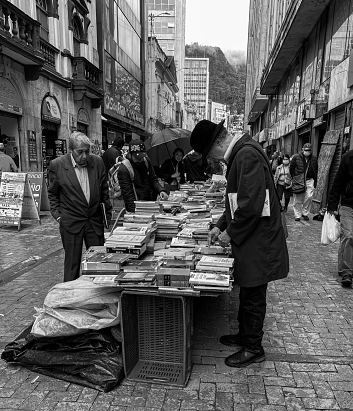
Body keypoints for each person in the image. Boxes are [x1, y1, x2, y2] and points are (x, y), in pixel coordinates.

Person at [190, 120, 289, 368]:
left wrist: (230, 233)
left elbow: (251, 205)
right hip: (252, 238)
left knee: (254, 293)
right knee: (247, 288)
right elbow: (236, 202)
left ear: (215, 146)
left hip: (258, 240)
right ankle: (245, 336)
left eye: (208, 154)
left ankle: (254, 348)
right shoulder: (241, 154)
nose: (213, 161)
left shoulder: (245, 156)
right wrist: (220, 225)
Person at [48, 131, 112, 282]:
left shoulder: (97, 162)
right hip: (71, 222)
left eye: (87, 151)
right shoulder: (57, 165)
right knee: (72, 264)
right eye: (80, 152)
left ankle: (96, 294)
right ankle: (70, 297)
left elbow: (104, 191)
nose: (84, 156)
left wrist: (106, 216)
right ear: (71, 150)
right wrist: (58, 216)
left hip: (94, 221)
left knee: (98, 262)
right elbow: (53, 193)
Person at [117, 139, 168, 213]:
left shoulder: (146, 161)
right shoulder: (124, 169)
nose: (141, 160)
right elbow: (128, 197)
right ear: (130, 155)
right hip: (136, 208)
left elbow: (153, 180)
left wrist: (161, 190)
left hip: (150, 204)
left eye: (142, 156)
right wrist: (137, 214)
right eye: (138, 158)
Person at [327, 150, 353, 287]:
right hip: (348, 204)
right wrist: (331, 205)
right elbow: (337, 182)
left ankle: (344, 265)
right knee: (348, 235)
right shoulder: (348, 158)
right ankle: (346, 272)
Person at [290, 143, 318, 222]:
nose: (307, 152)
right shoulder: (296, 157)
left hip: (310, 180)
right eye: (306, 150)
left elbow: (316, 170)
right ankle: (297, 215)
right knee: (298, 198)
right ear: (303, 150)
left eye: (309, 150)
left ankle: (305, 212)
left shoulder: (314, 159)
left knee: (309, 196)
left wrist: (315, 181)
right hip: (299, 180)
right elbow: (291, 168)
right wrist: (294, 178)